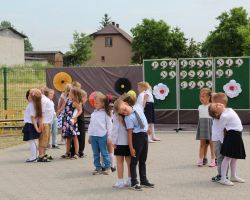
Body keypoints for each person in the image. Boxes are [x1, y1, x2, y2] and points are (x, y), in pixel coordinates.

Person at [114, 95, 154, 191]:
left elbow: (143, 117)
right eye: (122, 113)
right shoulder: (128, 118)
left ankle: (143, 180)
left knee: (143, 160)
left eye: (124, 109)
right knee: (134, 161)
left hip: (144, 136)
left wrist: (147, 128)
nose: (125, 112)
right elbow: (129, 133)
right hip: (137, 138)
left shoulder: (138, 107)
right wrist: (131, 148)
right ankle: (134, 182)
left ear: (126, 104)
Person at [208, 103, 246, 186]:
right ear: (216, 113)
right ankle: (223, 178)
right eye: (216, 106)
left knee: (235, 157)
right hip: (232, 135)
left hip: (237, 135)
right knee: (227, 157)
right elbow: (219, 130)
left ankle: (233, 176)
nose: (218, 104)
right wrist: (223, 142)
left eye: (216, 103)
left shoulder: (228, 110)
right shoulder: (223, 116)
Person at [87, 92, 112, 175]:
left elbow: (109, 125)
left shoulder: (106, 114)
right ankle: (98, 168)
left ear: (103, 104)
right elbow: (91, 125)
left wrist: (109, 136)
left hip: (102, 136)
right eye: (94, 103)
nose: (95, 104)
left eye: (97, 103)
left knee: (104, 152)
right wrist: (90, 136)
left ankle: (108, 167)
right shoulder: (93, 114)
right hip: (93, 136)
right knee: (95, 153)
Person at [210, 93, 228, 182]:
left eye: (213, 103)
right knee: (222, 157)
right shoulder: (223, 112)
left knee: (220, 157)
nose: (212, 104)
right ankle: (223, 174)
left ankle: (222, 175)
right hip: (219, 138)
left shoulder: (219, 114)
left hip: (218, 139)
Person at [61, 87, 83, 159]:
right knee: (67, 137)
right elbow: (64, 109)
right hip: (66, 121)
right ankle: (67, 152)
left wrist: (75, 116)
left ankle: (76, 153)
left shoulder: (75, 102)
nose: (69, 92)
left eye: (70, 92)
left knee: (74, 137)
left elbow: (80, 110)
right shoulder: (67, 100)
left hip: (71, 121)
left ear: (74, 94)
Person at [196, 88, 215, 167]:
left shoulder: (212, 105)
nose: (201, 98)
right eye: (200, 96)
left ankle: (213, 160)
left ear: (209, 97)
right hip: (202, 125)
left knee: (211, 143)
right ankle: (201, 159)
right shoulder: (200, 107)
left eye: (203, 96)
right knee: (202, 144)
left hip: (210, 125)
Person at [22, 89, 42, 162]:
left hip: (30, 124)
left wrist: (36, 128)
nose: (28, 96)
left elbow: (33, 117)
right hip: (29, 124)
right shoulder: (32, 104)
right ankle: (34, 156)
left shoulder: (31, 105)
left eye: (30, 94)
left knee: (31, 141)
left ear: (33, 97)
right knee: (31, 141)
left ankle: (34, 157)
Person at [37, 87, 54, 162]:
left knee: (46, 140)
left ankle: (44, 154)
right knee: (43, 140)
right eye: (50, 93)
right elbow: (41, 112)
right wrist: (41, 123)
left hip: (48, 122)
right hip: (44, 123)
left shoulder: (49, 100)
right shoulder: (44, 100)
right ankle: (40, 155)